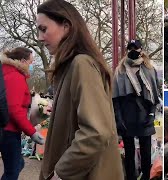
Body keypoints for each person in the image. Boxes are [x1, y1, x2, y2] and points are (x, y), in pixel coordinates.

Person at [36, 1, 123, 179]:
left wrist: (61, 173)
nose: (39, 37)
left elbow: (96, 131)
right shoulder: (71, 66)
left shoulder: (81, 63)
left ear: (66, 26)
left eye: (43, 29)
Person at [113, 39, 160, 180]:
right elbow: (115, 97)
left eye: (136, 48)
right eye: (130, 48)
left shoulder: (150, 69)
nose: (133, 50)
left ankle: (146, 177)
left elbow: (154, 95)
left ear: (141, 50)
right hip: (127, 114)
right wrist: (118, 118)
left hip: (144, 114)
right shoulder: (119, 70)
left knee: (146, 154)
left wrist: (152, 114)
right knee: (129, 153)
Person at [0, 47, 44, 180]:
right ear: (23, 61)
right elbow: (14, 109)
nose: (31, 66)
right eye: (31, 62)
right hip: (9, 130)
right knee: (13, 171)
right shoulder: (15, 77)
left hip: (6, 128)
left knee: (18, 163)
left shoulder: (7, 73)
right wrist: (31, 131)